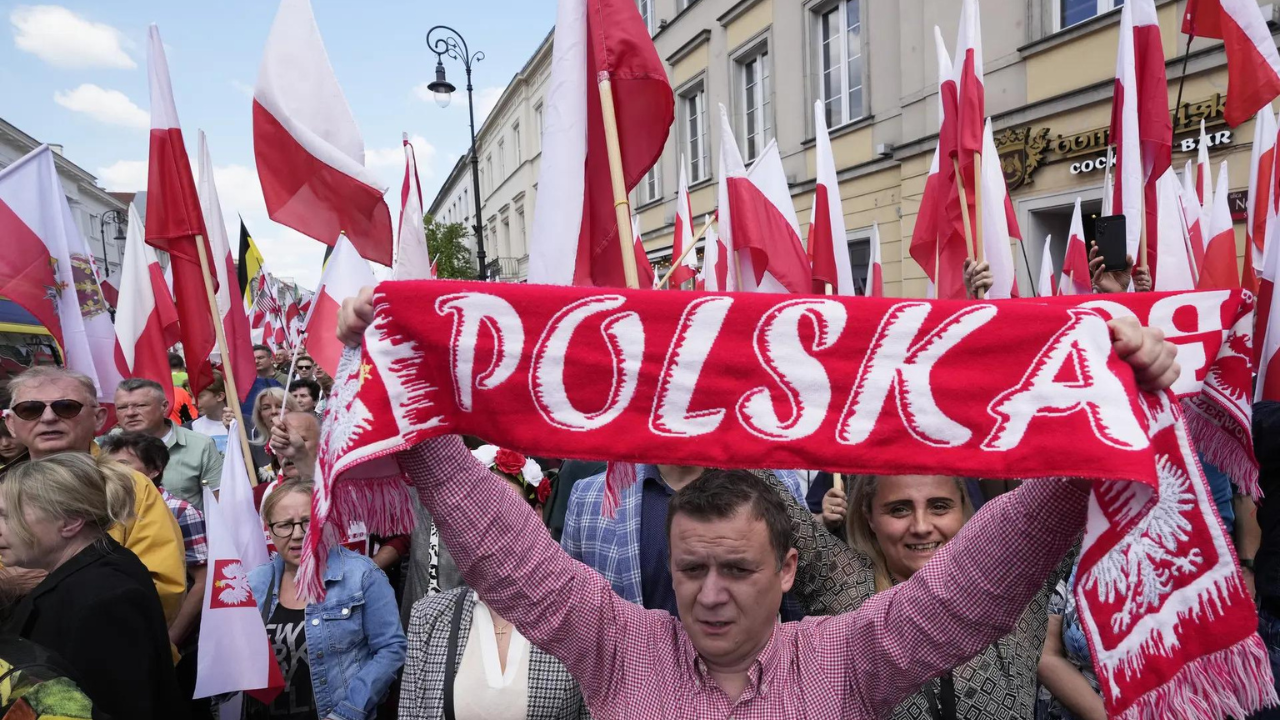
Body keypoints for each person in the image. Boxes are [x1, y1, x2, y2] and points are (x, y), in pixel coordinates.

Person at [336, 285, 1179, 718]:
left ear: (788, 569)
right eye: (693, 566)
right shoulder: (619, 647)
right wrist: (407, 406)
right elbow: (506, 552)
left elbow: (970, 588)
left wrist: (1095, 440)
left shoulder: (848, 658)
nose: (707, 592)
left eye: (735, 569)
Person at [399, 448, 588, 720]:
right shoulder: (428, 617)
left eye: (507, 510)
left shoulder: (575, 620)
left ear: (536, 515)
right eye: (477, 513)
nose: (492, 526)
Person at [0, 453, 187, 719]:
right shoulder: (98, 573)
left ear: (71, 521)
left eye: (8, 517)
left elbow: (115, 706)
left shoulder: (103, 599)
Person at [0, 367, 187, 623]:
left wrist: (55, 585)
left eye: (66, 407)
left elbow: (162, 588)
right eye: (30, 410)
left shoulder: (130, 487)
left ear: (99, 418)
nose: (48, 418)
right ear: (11, 423)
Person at [246, 478, 406, 720]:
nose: (298, 534)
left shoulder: (362, 576)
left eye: (307, 523)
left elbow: (391, 649)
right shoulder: (253, 583)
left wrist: (348, 712)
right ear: (269, 529)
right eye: (285, 525)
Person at [562, 464, 808, 619]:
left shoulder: (773, 482)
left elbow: (803, 600)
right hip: (636, 689)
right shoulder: (591, 498)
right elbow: (573, 613)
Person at [100, 431, 212, 720]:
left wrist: (170, 641)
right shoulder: (105, 509)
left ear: (153, 470)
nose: (115, 473)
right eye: (109, 465)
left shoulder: (181, 510)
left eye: (124, 465)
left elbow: (202, 581)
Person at [115, 377, 222, 511]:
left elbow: (218, 502)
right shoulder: (104, 449)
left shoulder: (200, 445)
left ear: (164, 407)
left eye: (141, 405)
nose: (130, 413)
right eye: (122, 407)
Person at [231, 387, 297, 484]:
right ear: (260, 416)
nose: (273, 411)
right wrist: (232, 431)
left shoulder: (306, 443)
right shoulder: (253, 448)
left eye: (280, 406)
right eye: (266, 408)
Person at [191, 373, 230, 454]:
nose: (193, 402)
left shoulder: (244, 424)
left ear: (219, 396)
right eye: (191, 396)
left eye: (199, 396)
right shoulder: (191, 428)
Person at [245, 344, 286, 420]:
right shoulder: (249, 383)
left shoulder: (285, 379)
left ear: (271, 359)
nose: (256, 361)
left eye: (260, 358)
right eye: (253, 359)